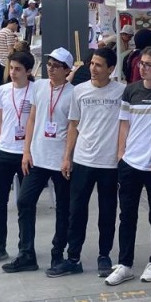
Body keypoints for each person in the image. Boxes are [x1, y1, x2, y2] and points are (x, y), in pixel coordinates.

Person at [48, 47, 125, 278]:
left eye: (99, 65)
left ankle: (104, 255)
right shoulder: (79, 91)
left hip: (109, 163)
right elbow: (73, 125)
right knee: (76, 211)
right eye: (92, 63)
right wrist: (67, 157)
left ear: (111, 69)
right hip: (82, 160)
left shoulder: (121, 92)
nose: (93, 68)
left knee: (108, 212)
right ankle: (73, 257)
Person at [107, 46, 151, 285]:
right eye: (141, 63)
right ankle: (125, 263)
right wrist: (121, 153)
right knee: (127, 215)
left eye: (148, 64)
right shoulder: (131, 90)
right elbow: (124, 124)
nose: (142, 68)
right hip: (130, 162)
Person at [10, 48, 75, 273]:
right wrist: (26, 151)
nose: (50, 68)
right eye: (49, 64)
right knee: (25, 201)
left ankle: (58, 253)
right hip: (38, 156)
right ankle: (26, 252)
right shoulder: (39, 87)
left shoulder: (72, 93)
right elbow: (32, 119)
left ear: (67, 70)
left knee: (63, 209)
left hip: (60, 160)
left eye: (56, 66)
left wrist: (68, 157)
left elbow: (73, 128)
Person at [0, 51, 37, 266]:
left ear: (28, 71)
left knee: (26, 203)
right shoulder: (3, 91)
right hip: (4, 151)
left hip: (26, 154)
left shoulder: (35, 90)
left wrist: (29, 150)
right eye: (10, 68)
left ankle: (26, 247)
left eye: (17, 69)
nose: (12, 73)